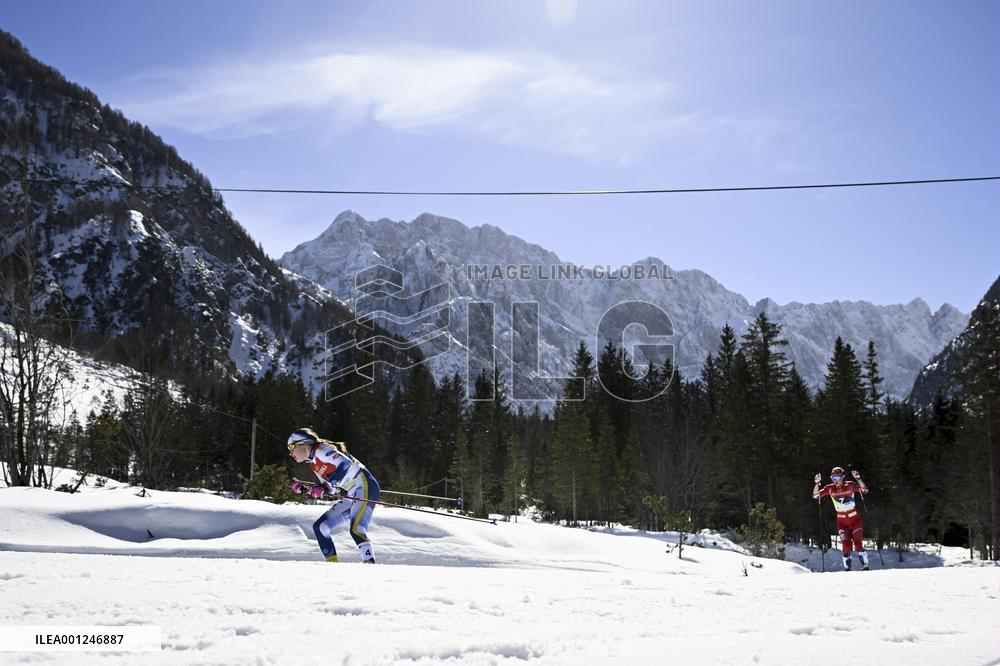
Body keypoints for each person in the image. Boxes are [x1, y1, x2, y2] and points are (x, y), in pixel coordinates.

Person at [287, 427, 381, 563]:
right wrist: (306, 490)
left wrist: (328, 484)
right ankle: (333, 567)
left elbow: (345, 464)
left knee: (357, 529)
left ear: (303, 444)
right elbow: (330, 489)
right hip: (352, 492)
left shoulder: (321, 450)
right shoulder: (313, 463)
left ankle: (370, 567)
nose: (290, 453)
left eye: (291, 447)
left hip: (365, 486)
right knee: (320, 527)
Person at [813, 466, 870, 571]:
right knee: (846, 546)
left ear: (842, 477)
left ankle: (865, 566)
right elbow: (816, 496)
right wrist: (817, 483)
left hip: (855, 519)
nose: (835, 480)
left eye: (837, 477)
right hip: (842, 521)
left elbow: (865, 490)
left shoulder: (850, 485)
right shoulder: (830, 488)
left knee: (858, 543)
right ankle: (847, 569)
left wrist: (858, 479)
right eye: (833, 478)